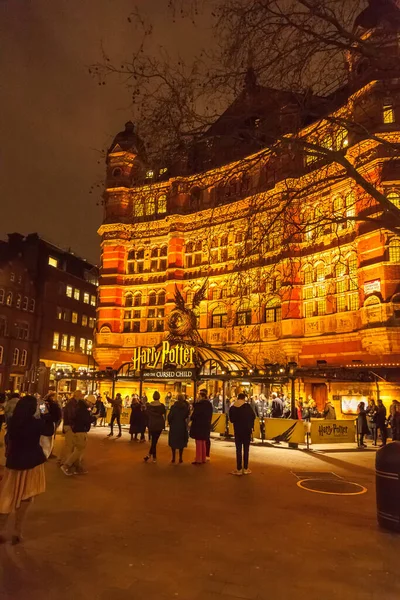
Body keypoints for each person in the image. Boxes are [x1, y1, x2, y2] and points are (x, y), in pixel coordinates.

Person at [0, 396, 47, 544]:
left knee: (7, 495)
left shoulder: (13, 422)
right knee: (26, 497)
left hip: (14, 463)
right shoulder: (36, 423)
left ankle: (1, 529)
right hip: (32, 464)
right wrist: (43, 411)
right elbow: (50, 429)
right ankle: (17, 531)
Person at [61, 395, 94, 476]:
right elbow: (86, 420)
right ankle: (66, 465)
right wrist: (94, 418)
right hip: (80, 431)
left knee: (78, 450)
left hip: (76, 430)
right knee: (79, 450)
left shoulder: (79, 406)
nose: (92, 405)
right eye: (92, 403)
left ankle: (78, 467)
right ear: (88, 402)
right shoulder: (83, 409)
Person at [229, 392, 256, 475]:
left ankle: (239, 469)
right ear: (244, 399)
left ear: (238, 398)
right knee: (246, 449)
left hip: (238, 430)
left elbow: (231, 420)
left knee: (238, 449)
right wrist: (250, 425)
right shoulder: (247, 406)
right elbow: (253, 416)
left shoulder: (233, 407)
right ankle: (246, 468)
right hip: (247, 430)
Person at [190, 389, 213, 465]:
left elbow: (194, 416)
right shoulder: (209, 405)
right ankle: (203, 457)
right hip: (206, 425)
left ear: (201, 396)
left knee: (199, 442)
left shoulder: (199, 405)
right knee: (203, 441)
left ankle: (198, 458)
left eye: (199, 396)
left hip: (198, 426)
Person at [144, 392, 166, 463]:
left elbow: (146, 414)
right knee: (155, 441)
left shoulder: (149, 406)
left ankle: (151, 455)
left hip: (152, 424)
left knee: (154, 441)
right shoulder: (162, 405)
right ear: (159, 397)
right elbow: (164, 412)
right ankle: (152, 456)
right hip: (159, 424)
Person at [59, 390, 80, 466]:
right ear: (77, 396)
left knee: (68, 444)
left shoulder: (72, 402)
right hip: (69, 425)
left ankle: (61, 459)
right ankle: (64, 461)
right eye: (80, 396)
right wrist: (73, 425)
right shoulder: (72, 403)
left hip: (68, 425)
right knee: (69, 445)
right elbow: (72, 415)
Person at [168, 394, 190, 463]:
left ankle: (173, 458)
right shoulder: (185, 407)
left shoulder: (173, 407)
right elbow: (187, 415)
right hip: (182, 426)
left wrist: (170, 422)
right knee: (181, 442)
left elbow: (170, 416)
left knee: (173, 442)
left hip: (174, 425)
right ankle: (180, 457)